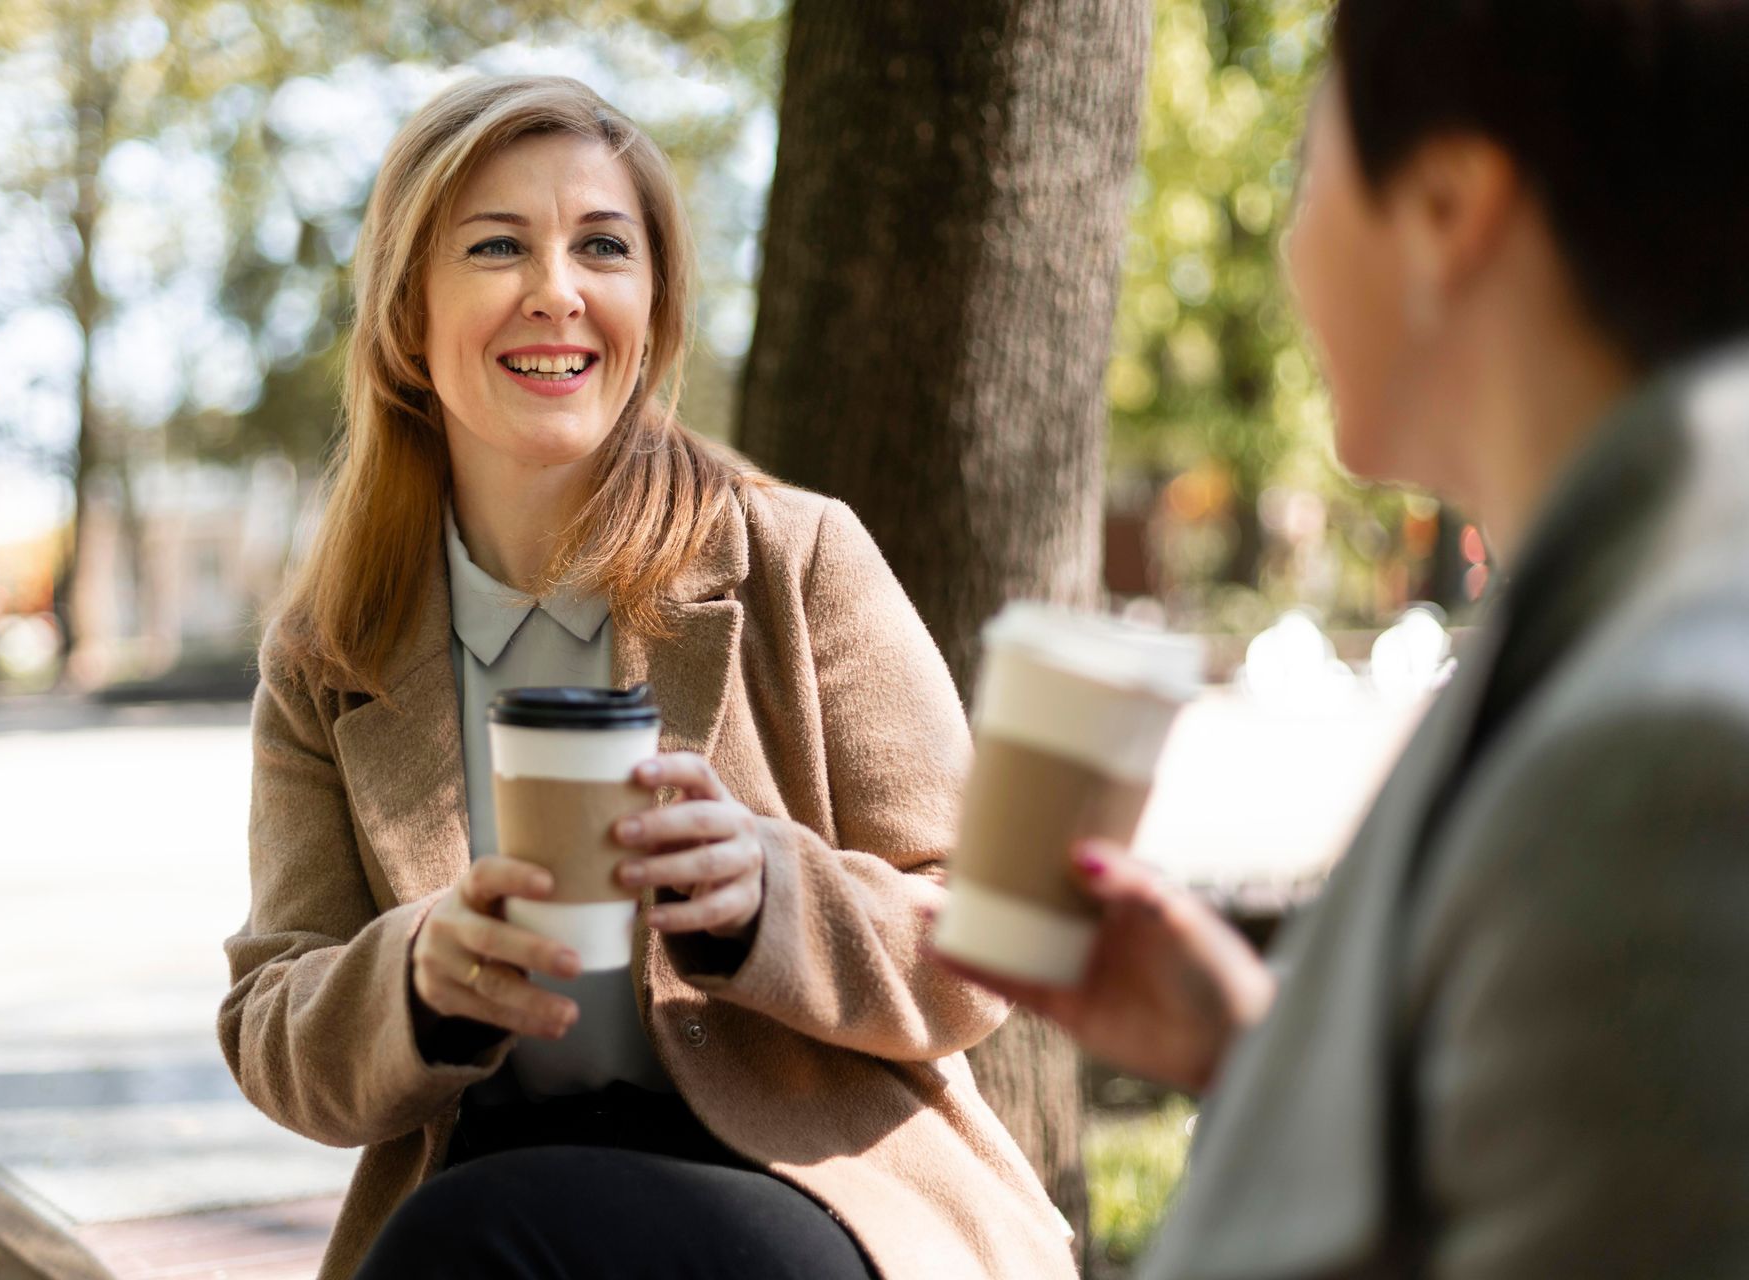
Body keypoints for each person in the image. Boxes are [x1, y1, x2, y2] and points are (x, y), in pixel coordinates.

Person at [939, 1, 1749, 1275]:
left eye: (1307, 162)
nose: (1291, 245)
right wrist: (1279, 1052)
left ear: (1445, 209)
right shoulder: (1630, 611)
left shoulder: (1669, 763)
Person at [217, 75, 1073, 1280]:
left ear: (655, 307)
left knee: (469, 1241)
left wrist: (768, 894)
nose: (556, 290)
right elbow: (272, 1021)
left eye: (603, 247)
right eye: (498, 246)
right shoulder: (331, 650)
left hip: (814, 1181)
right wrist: (416, 973)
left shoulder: (794, 553)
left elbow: (991, 935)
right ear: (409, 317)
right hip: (492, 1169)